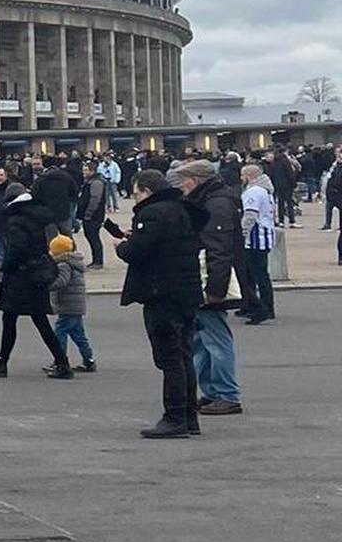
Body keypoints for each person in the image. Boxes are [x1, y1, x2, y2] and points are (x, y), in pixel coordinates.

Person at [115, 169, 205, 437]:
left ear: (146, 191)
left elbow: (136, 252)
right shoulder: (184, 209)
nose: (134, 198)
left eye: (135, 193)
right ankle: (189, 416)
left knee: (169, 357)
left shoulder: (152, 213)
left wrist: (123, 246)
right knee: (185, 354)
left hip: (161, 291)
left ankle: (174, 416)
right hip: (186, 289)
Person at [0, 184, 70, 379]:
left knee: (12, 319)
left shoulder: (17, 219)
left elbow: (17, 249)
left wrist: (7, 266)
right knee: (35, 320)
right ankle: (59, 361)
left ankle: (4, 362)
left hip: (21, 277)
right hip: (35, 274)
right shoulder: (37, 215)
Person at [176, 160, 243, 417]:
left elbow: (219, 249)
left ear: (196, 179)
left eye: (185, 179)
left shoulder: (215, 204)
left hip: (211, 281)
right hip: (206, 278)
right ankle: (214, 391)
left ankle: (226, 394)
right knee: (203, 339)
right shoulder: (212, 200)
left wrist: (215, 289)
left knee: (215, 338)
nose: (182, 185)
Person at [47, 233, 94, 371]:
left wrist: (47, 285)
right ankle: (88, 359)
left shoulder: (63, 265)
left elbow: (61, 282)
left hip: (68, 304)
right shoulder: (73, 262)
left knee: (60, 332)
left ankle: (60, 359)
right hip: (75, 305)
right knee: (78, 334)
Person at [238, 165, 276, 325]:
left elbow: (250, 215)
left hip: (255, 237)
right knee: (254, 273)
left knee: (256, 273)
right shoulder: (265, 191)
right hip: (264, 233)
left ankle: (263, 307)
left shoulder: (253, 192)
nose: (241, 178)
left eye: (242, 175)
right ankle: (253, 304)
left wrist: (242, 233)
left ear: (248, 176)